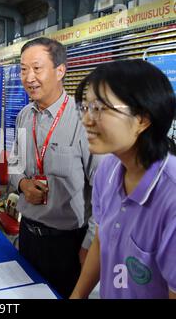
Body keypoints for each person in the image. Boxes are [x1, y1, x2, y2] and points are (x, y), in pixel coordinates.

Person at [70, 60, 176, 299]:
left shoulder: (171, 196)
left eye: (99, 108)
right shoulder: (107, 170)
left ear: (142, 119)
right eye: (84, 108)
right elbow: (102, 239)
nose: (86, 120)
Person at [8, 37, 100, 298]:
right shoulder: (25, 115)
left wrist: (89, 246)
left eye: (37, 68)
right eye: (23, 69)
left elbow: (104, 192)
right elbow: (15, 163)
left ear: (60, 71)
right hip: (28, 236)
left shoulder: (85, 119)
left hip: (69, 245)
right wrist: (23, 184)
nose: (28, 77)